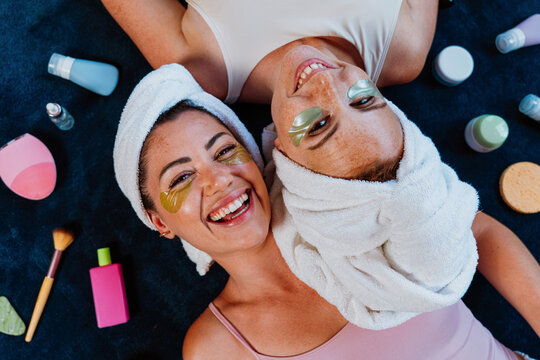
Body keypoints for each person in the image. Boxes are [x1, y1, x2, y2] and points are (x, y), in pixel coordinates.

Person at [113, 64, 537, 360]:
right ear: (159, 221)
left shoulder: (337, 200)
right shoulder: (218, 346)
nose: (218, 180)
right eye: (180, 179)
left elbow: (473, 230)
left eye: (225, 151)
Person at [101, 0, 438, 103]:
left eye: (316, 125)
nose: (325, 87)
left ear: (281, 150)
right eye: (361, 103)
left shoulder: (208, 70)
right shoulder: (404, 49)